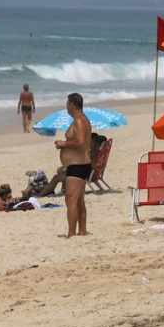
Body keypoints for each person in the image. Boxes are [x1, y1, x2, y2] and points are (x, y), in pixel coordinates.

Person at [54, 92, 91, 237]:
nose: (66, 108)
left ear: (71, 105)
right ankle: (81, 232)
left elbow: (81, 143)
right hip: (79, 164)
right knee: (79, 200)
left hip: (78, 165)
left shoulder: (80, 121)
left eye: (67, 105)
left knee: (71, 200)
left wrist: (63, 143)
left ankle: (71, 234)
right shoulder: (80, 120)